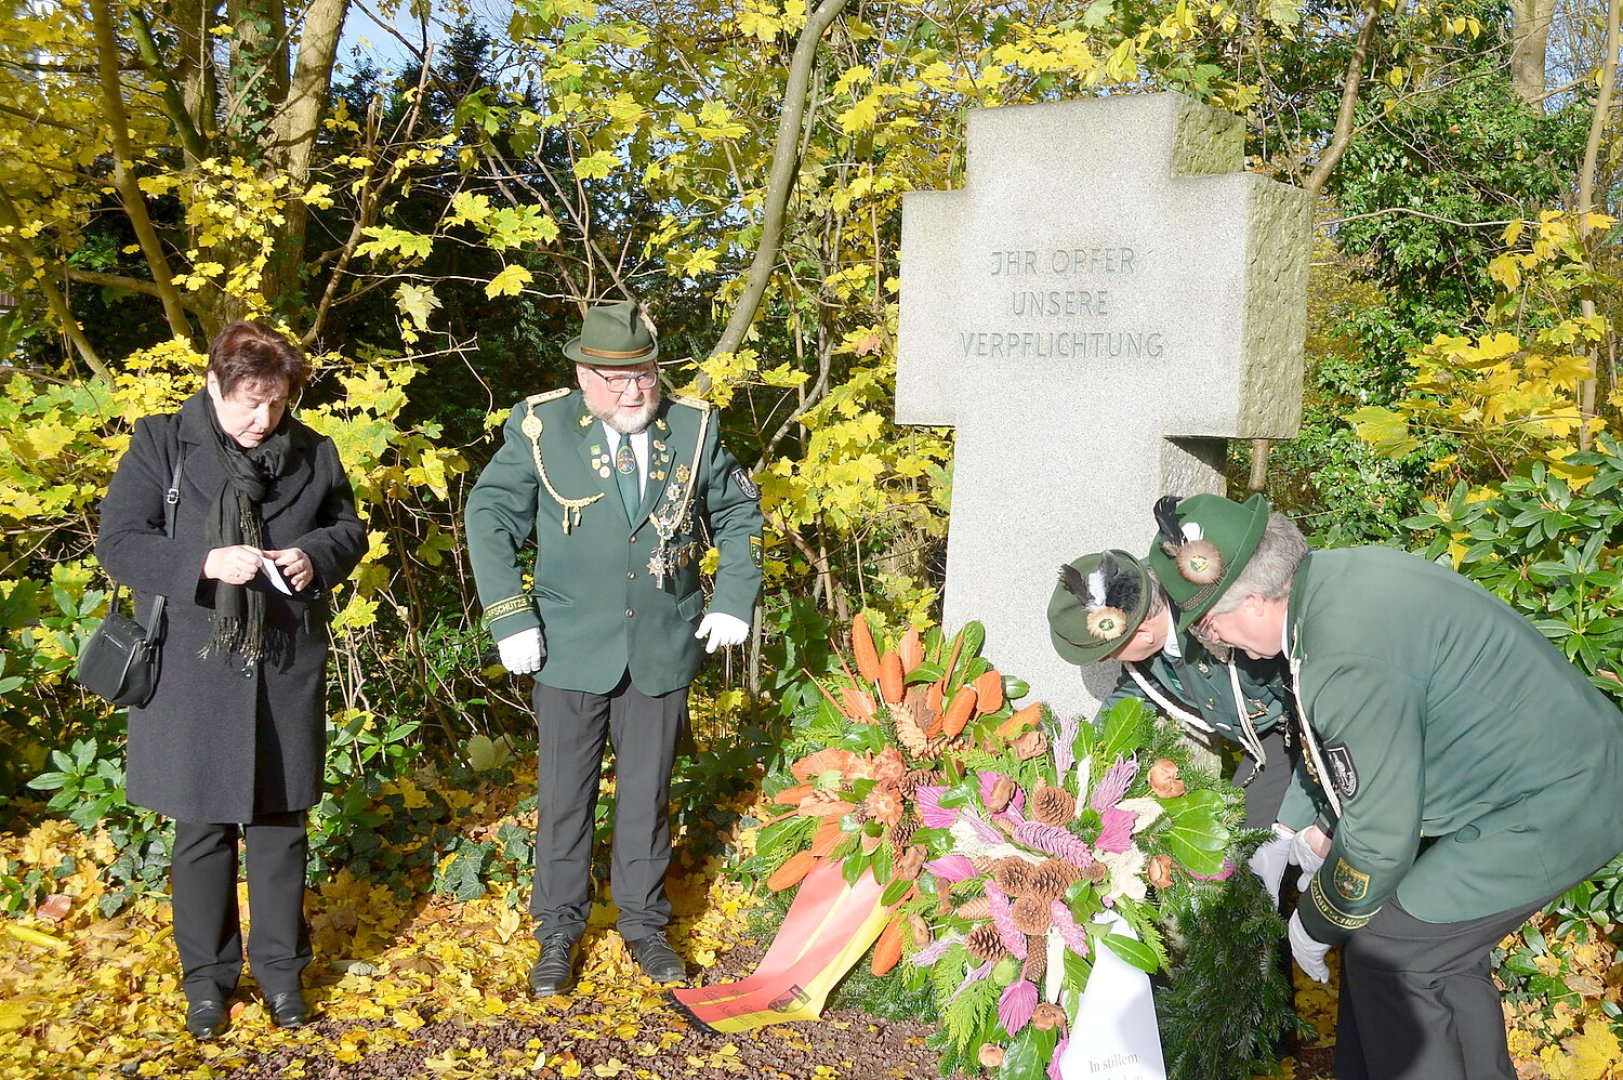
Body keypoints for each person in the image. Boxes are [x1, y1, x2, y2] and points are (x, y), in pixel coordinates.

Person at [1152, 493, 1623, 1080]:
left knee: (1390, 954)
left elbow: (1378, 840)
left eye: (1208, 624)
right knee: (1435, 957)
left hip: (1556, 799)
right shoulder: (1331, 585)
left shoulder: (1340, 654)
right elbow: (1366, 754)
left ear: (1249, 601)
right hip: (1546, 781)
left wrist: (1313, 923)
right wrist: (1299, 830)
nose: (1213, 643)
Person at [465, 299, 763, 997]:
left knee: (646, 795)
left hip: (660, 642)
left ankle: (644, 925)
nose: (635, 392)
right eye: (617, 379)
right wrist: (510, 616)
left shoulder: (691, 429)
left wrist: (732, 597)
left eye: (645, 376)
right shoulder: (540, 428)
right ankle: (558, 930)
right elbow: (489, 515)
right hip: (568, 644)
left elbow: (739, 512)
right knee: (564, 795)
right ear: (582, 374)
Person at [96, 322, 366, 1040]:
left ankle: (283, 977)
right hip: (193, 664)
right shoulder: (160, 442)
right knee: (203, 830)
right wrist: (205, 564)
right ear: (215, 385)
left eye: (276, 403)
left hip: (283, 662)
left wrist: (315, 554)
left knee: (281, 825)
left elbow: (348, 527)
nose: (263, 419)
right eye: (249, 401)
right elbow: (119, 542)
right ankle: (207, 985)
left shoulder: (315, 451)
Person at [1046, 540, 1319, 901]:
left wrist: (1290, 823)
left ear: (1142, 633)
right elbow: (1133, 693)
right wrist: (1080, 766)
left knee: (1276, 854)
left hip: (1316, 738)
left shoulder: (1217, 610)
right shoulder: (1151, 629)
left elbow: (1320, 715)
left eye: (1107, 653)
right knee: (1236, 863)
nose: (1104, 663)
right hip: (1266, 743)